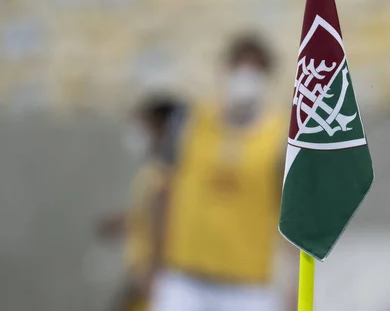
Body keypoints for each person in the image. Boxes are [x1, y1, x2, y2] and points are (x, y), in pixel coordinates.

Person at [150, 31, 294, 311]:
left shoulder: (279, 137)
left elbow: (293, 214)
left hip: (249, 287)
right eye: (240, 67)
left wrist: (292, 286)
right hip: (185, 279)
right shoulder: (192, 122)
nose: (246, 77)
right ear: (224, 70)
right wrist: (153, 263)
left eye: (256, 70)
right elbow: (161, 192)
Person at [97, 95, 184, 311]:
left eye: (142, 122)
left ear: (160, 125)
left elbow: (166, 224)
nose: (136, 130)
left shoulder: (166, 174)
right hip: (142, 277)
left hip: (152, 280)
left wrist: (153, 273)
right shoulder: (152, 170)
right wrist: (126, 221)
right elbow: (147, 216)